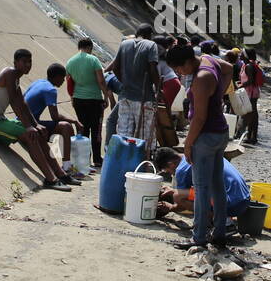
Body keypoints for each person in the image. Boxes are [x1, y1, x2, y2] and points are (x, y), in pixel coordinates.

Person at [0, 50, 79, 190]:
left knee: (39, 132)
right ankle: (50, 179)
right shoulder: (9, 73)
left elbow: (22, 103)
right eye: (24, 62)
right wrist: (29, 127)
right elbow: (13, 102)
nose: (28, 65)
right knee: (32, 136)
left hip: (0, 119)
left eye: (30, 62)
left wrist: (35, 124)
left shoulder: (16, 77)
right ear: (15, 62)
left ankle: (61, 173)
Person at [166, 43, 231, 250]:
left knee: (201, 189)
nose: (179, 72)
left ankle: (199, 237)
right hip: (220, 132)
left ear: (187, 61)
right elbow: (229, 68)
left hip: (205, 136)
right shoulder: (208, 60)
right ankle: (219, 233)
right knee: (217, 185)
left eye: (179, 68)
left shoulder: (201, 78)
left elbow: (200, 118)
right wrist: (218, 94)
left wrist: (187, 144)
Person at [152, 146, 251, 223]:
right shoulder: (195, 154)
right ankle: (223, 218)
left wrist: (170, 208)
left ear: (170, 164)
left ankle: (219, 219)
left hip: (232, 204)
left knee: (178, 196)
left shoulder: (182, 169)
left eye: (167, 170)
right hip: (245, 201)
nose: (170, 173)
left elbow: (181, 203)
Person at [22, 64, 83, 175]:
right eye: (63, 77)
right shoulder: (50, 90)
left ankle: (67, 163)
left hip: (23, 121)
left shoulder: (38, 82)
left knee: (63, 126)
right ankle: (67, 167)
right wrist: (74, 121)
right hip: (28, 125)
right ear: (56, 77)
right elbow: (55, 117)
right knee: (66, 127)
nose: (64, 81)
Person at [110, 24, 160, 156]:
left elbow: (115, 67)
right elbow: (153, 69)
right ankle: (145, 159)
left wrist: (125, 82)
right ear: (150, 35)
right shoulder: (151, 45)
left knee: (124, 130)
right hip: (144, 96)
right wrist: (159, 88)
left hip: (125, 95)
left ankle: (122, 158)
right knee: (145, 132)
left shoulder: (124, 44)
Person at [66, 37, 113, 168]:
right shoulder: (93, 60)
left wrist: (72, 98)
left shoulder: (70, 62)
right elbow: (101, 81)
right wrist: (106, 96)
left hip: (78, 100)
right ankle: (97, 159)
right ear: (90, 48)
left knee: (84, 129)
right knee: (96, 129)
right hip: (94, 100)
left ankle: (85, 160)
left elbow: (69, 83)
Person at [241, 48, 265, 143]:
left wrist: (240, 85)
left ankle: (252, 137)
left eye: (242, 54)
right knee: (252, 115)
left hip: (251, 93)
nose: (240, 55)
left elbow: (250, 81)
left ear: (246, 56)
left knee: (252, 115)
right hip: (250, 92)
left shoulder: (249, 66)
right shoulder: (247, 65)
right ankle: (251, 136)